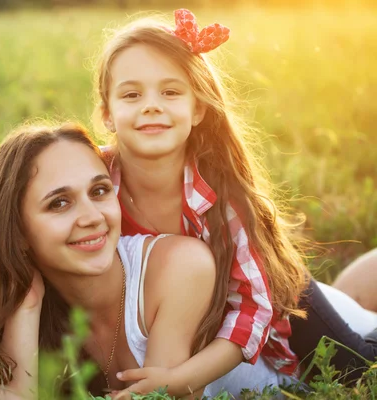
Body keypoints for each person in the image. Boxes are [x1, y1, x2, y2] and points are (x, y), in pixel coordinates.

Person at [91, 8, 377, 395]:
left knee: (358, 371)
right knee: (354, 309)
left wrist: (181, 379)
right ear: (107, 113)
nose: (151, 105)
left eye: (171, 91)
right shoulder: (91, 181)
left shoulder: (223, 199)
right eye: (131, 94)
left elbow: (253, 310)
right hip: (195, 317)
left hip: (283, 303)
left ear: (198, 109)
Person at [0, 123, 220, 399]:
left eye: (99, 191)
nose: (92, 217)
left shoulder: (181, 267)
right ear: (17, 232)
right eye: (59, 203)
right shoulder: (25, 305)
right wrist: (27, 304)